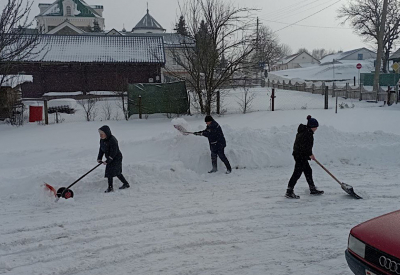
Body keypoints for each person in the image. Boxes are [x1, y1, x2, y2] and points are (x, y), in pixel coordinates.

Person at [285, 115, 324, 199]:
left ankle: (312, 189)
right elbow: (305, 147)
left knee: (308, 171)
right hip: (300, 155)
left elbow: (305, 146)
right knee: (297, 173)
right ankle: (289, 191)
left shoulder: (304, 131)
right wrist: (310, 154)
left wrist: (309, 154)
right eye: (316, 127)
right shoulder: (307, 134)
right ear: (312, 126)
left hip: (300, 154)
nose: (316, 128)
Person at [97, 125, 130, 193]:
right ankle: (110, 187)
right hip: (110, 158)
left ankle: (126, 184)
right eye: (100, 134)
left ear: (106, 133)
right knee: (109, 173)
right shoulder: (102, 140)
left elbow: (114, 152)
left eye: (102, 134)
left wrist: (108, 160)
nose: (100, 136)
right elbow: (101, 149)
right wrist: (99, 158)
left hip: (116, 158)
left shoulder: (112, 140)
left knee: (117, 172)